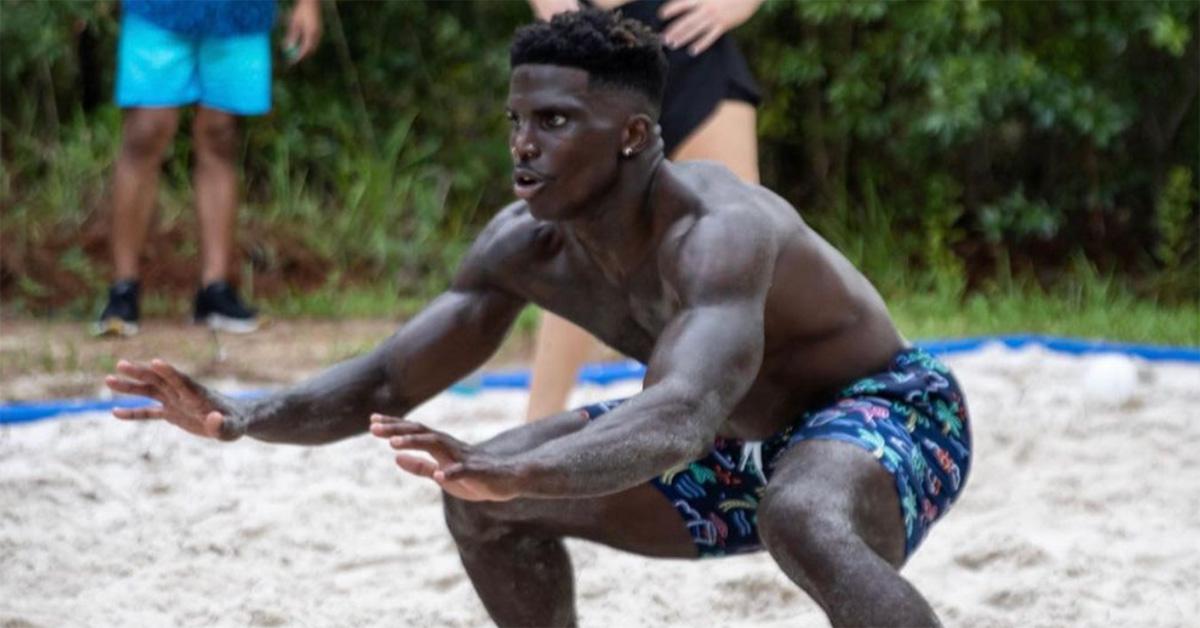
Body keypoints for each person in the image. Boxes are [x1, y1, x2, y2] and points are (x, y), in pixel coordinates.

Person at [105, 11, 971, 627]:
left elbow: (680, 413)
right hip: (727, 444)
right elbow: (385, 379)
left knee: (800, 511)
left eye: (555, 122)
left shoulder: (722, 231)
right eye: (517, 120)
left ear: (634, 135)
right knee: (482, 497)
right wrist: (241, 416)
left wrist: (525, 472)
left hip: (888, 414)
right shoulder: (522, 245)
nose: (524, 144)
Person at [523, 0, 765, 420]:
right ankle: (535, 426)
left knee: (743, 248)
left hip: (686, 38)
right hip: (590, 47)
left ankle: (763, 425)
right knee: (575, 249)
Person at [93, 0, 322, 337]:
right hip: (156, 10)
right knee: (146, 130)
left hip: (240, 14)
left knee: (221, 133)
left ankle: (215, 289)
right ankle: (123, 288)